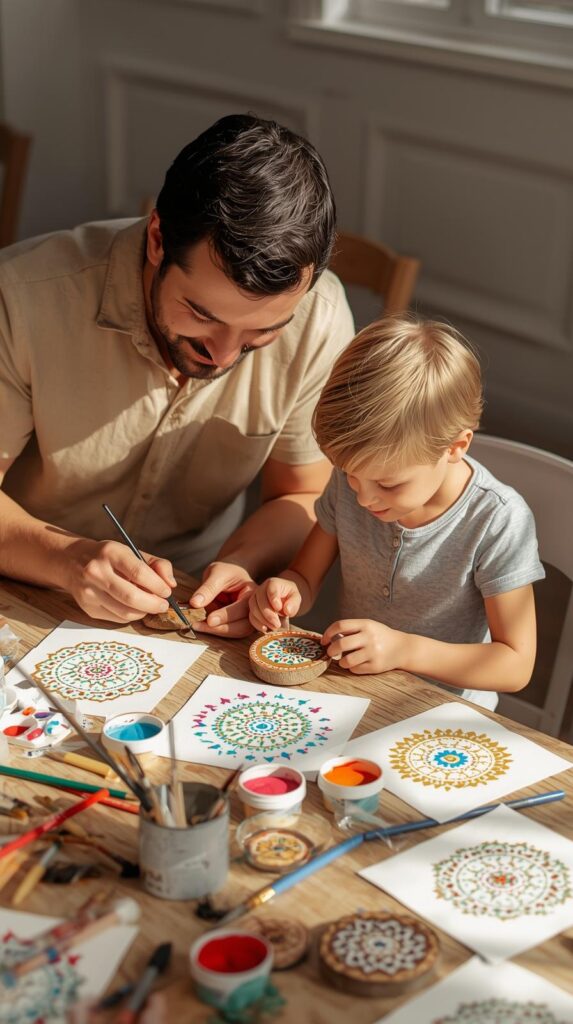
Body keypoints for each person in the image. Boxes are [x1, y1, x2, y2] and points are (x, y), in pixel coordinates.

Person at [0, 114, 354, 636]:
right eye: (203, 315)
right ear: (158, 238)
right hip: (26, 581)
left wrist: (240, 564)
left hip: (194, 597)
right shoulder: (23, 297)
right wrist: (67, 561)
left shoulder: (320, 320)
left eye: (263, 332)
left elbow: (301, 497)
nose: (225, 355)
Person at [248, 315, 545, 709]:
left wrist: (405, 650)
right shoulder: (350, 485)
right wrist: (286, 593)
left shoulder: (497, 522)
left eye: (388, 484)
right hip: (355, 694)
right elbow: (303, 575)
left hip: (445, 717)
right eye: (352, 476)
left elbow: (515, 664)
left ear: (455, 447)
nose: (365, 498)